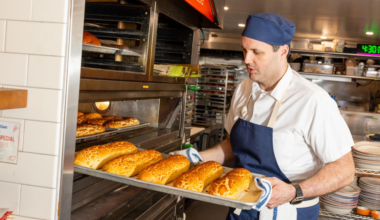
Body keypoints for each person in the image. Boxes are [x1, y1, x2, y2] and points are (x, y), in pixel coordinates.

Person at [173, 13, 355, 220]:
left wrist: (295, 191)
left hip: (288, 212)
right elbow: (235, 145)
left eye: (257, 52)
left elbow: (345, 170)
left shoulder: (312, 101)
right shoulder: (244, 89)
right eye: (244, 50)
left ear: (283, 51)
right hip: (241, 206)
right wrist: (197, 158)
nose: (246, 59)